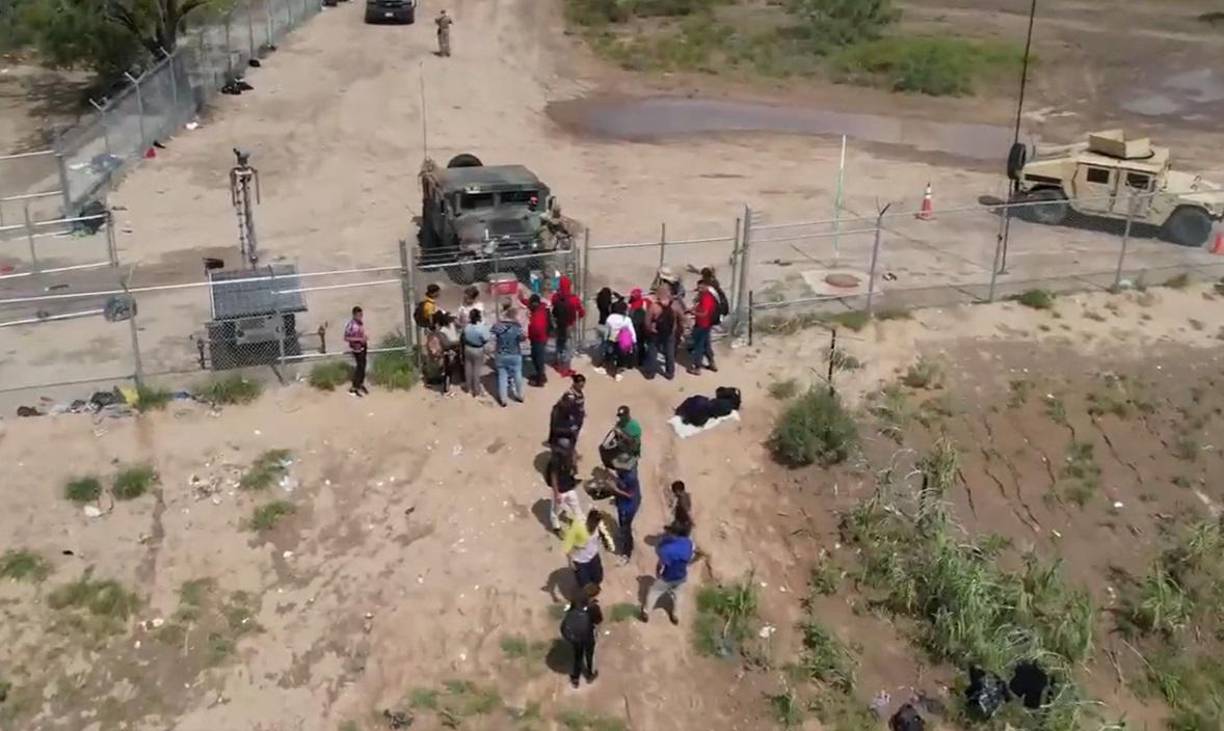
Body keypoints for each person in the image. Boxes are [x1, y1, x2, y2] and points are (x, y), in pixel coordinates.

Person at [606, 406, 642, 564]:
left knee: (626, 527)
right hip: (623, 501)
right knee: (622, 523)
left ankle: (627, 551)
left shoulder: (631, 477)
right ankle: (622, 534)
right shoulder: (625, 473)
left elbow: (629, 495)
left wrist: (614, 489)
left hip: (629, 505)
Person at [640, 521, 695, 625]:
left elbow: (661, 564)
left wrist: (658, 572)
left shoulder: (666, 549)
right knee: (678, 596)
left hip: (667, 577)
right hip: (682, 576)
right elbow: (690, 557)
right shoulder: (689, 543)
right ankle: (675, 616)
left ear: (674, 534)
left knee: (654, 591)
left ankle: (646, 612)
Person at [560, 584, 603, 689]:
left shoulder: (576, 599)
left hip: (575, 635)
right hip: (587, 635)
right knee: (589, 654)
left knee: (578, 656)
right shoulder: (593, 607)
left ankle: (575, 679)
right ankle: (589, 674)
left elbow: (570, 610)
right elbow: (598, 620)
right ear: (593, 595)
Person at [644, 283, 684, 380]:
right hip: (670, 332)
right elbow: (682, 318)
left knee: (652, 352)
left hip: (656, 332)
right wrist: (680, 330)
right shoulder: (675, 305)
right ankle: (670, 373)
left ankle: (650, 373)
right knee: (670, 352)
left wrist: (650, 329)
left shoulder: (654, 306)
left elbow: (647, 321)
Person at [490, 305, 526, 407]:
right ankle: (520, 395)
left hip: (501, 354)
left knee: (502, 376)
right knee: (517, 374)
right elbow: (523, 338)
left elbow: (491, 335)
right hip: (515, 353)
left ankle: (503, 399)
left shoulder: (498, 325)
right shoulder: (517, 327)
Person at [562, 509, 606, 592]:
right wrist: (570, 560)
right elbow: (568, 543)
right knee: (585, 583)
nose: (593, 526)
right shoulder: (578, 526)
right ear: (588, 520)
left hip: (593, 556)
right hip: (580, 560)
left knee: (598, 578)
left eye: (596, 524)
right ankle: (587, 595)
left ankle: (594, 589)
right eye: (593, 523)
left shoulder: (598, 526)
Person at [550, 276, 585, 377]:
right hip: (569, 325)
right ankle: (566, 369)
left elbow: (553, 307)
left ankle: (557, 362)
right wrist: (578, 317)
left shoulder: (555, 297)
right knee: (568, 347)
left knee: (559, 343)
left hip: (558, 324)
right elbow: (581, 312)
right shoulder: (574, 299)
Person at [548, 437, 583, 533]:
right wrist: (556, 493)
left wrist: (575, 462)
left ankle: (581, 525)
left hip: (569, 487)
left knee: (576, 506)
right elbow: (553, 477)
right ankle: (556, 528)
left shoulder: (570, 457)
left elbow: (574, 472)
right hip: (560, 490)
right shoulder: (555, 461)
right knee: (555, 511)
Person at [687, 279, 718, 375]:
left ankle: (697, 368)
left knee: (698, 346)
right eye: (698, 287)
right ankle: (712, 363)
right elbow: (701, 307)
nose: (699, 289)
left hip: (702, 325)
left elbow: (704, 313)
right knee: (706, 345)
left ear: (707, 286)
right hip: (707, 324)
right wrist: (694, 309)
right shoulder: (707, 295)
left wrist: (693, 313)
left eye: (701, 287)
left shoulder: (706, 298)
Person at [603, 300, 636, 381]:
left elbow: (606, 330)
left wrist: (605, 339)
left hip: (612, 339)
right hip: (623, 340)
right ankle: (618, 373)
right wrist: (634, 341)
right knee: (621, 356)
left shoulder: (610, 318)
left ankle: (608, 367)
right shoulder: (627, 319)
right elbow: (632, 331)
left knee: (610, 353)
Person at [461, 308, 490, 397]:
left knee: (468, 368)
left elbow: (464, 337)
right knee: (476, 370)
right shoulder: (482, 327)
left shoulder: (467, 327)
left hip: (468, 348)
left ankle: (468, 388)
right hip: (478, 349)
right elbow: (486, 339)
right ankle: (476, 390)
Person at [524, 294, 551, 387]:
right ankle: (541, 375)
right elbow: (527, 303)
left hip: (538, 339)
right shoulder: (541, 308)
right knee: (535, 356)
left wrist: (530, 335)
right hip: (540, 338)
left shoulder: (538, 314)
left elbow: (537, 329)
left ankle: (540, 380)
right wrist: (521, 298)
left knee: (538, 358)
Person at [344, 306, 369, 397]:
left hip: (363, 347)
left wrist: (364, 338)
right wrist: (359, 339)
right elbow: (346, 338)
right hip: (356, 349)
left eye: (361, 315)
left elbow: (360, 333)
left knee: (363, 366)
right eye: (359, 315)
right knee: (359, 367)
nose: (360, 317)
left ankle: (360, 384)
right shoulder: (351, 325)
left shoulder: (360, 323)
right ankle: (354, 388)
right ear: (354, 315)